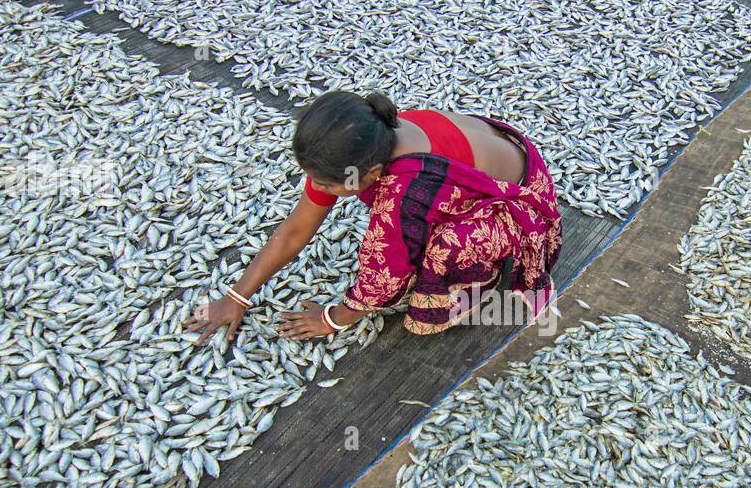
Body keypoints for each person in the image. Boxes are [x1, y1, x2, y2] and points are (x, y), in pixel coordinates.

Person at [184, 91, 563, 344]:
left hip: (523, 205)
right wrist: (237, 298)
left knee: (435, 250)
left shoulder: (405, 188)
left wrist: (333, 318)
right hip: (503, 160)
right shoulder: (370, 137)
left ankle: (480, 276)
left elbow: (384, 276)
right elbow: (296, 230)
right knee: (407, 228)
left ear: (371, 172)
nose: (319, 189)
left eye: (327, 185)